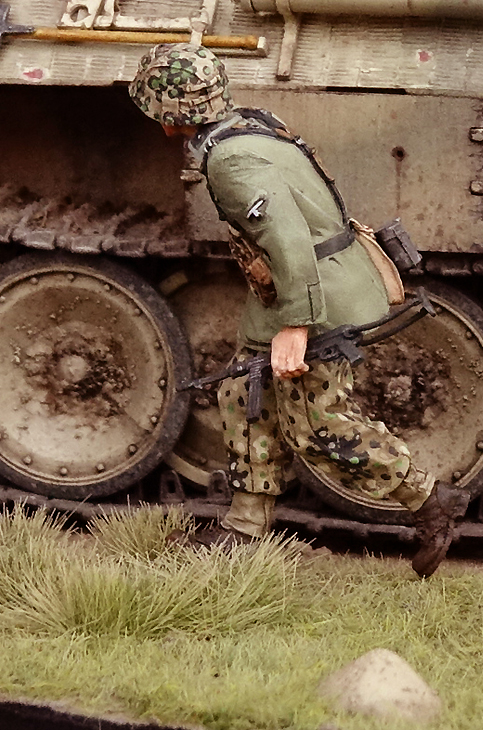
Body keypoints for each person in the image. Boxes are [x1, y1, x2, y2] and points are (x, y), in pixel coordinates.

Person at [129, 43, 464, 578]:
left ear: (170, 117)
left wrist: (295, 326)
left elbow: (287, 238)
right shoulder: (251, 126)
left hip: (316, 295)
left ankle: (429, 500)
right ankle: (245, 527)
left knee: (315, 425)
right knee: (243, 391)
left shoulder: (230, 160)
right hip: (290, 290)